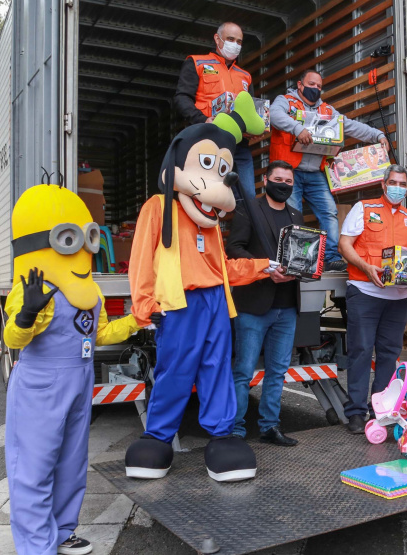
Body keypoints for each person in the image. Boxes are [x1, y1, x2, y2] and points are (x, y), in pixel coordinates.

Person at [124, 93, 273, 482]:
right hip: (179, 303)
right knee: (175, 369)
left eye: (221, 169)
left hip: (215, 305)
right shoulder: (158, 208)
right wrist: (143, 303)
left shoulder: (212, 226)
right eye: (208, 164)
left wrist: (264, 266)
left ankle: (222, 437)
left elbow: (222, 269)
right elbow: (141, 259)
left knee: (216, 369)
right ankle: (157, 437)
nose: (215, 180)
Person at [4, 184, 140, 555]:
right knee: (33, 466)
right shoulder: (33, 286)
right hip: (40, 382)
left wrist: (136, 320)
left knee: (71, 462)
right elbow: (14, 339)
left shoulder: (89, 291)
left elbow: (98, 335)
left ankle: (62, 531)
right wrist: (28, 311)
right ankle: (36, 545)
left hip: (80, 380)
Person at [269, 69, 391, 273]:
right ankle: (292, 258)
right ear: (300, 84)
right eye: (311, 84)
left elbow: (349, 126)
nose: (315, 89)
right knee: (292, 214)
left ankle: (331, 257)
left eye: (319, 86)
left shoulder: (326, 110)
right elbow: (273, 115)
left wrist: (377, 135)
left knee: (330, 213)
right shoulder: (285, 101)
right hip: (290, 173)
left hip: (316, 172)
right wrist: (298, 129)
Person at [337, 165, 407, 433]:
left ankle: (382, 410)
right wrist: (366, 267)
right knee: (361, 351)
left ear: (406, 188)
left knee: (389, 354)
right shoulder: (363, 208)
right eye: (394, 182)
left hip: (398, 298)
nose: (398, 187)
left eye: (403, 183)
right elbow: (344, 245)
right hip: (365, 291)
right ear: (384, 185)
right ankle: (355, 412)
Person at [226, 160, 303, 446]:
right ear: (266, 181)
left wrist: (309, 267)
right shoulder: (249, 208)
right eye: (279, 179)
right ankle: (235, 430)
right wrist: (264, 269)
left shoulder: (296, 214)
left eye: (289, 181)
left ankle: (270, 427)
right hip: (254, 304)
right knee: (243, 371)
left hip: (287, 306)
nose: (284, 184)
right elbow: (233, 249)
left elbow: (302, 254)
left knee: (277, 372)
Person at [174, 21, 256, 201]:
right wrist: (203, 120)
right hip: (207, 140)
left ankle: (240, 229)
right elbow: (182, 98)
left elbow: (252, 110)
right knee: (206, 192)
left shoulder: (245, 76)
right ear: (217, 39)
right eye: (230, 39)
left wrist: (254, 130)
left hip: (239, 145)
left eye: (239, 42)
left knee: (248, 197)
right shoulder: (196, 63)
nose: (235, 45)